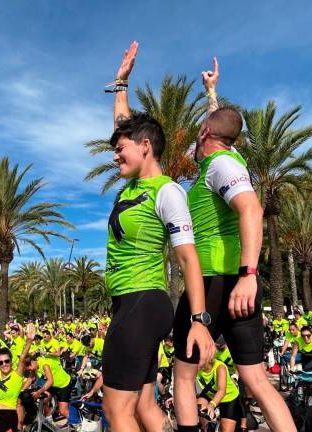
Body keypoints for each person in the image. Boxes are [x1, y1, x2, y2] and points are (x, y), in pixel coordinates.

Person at [174, 49, 297, 432]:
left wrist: (248, 274)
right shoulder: (228, 160)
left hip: (215, 280)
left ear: (206, 134)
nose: (196, 135)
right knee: (257, 380)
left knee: (183, 376)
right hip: (233, 284)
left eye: (200, 130)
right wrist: (213, 93)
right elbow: (221, 129)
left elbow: (251, 210)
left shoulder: (222, 165)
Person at [102, 41, 214, 432]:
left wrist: (199, 320)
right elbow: (124, 128)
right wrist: (121, 83)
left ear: (146, 147)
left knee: (117, 411)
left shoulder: (166, 191)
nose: (115, 155)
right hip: (131, 304)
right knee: (146, 406)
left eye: (121, 150)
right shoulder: (133, 186)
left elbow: (188, 258)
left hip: (142, 303)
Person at [194, 358, 242, 432]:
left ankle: (218, 414)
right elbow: (187, 383)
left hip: (229, 398)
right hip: (210, 394)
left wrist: (212, 405)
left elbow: (221, 391)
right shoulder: (195, 367)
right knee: (195, 409)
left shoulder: (220, 367)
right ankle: (209, 423)